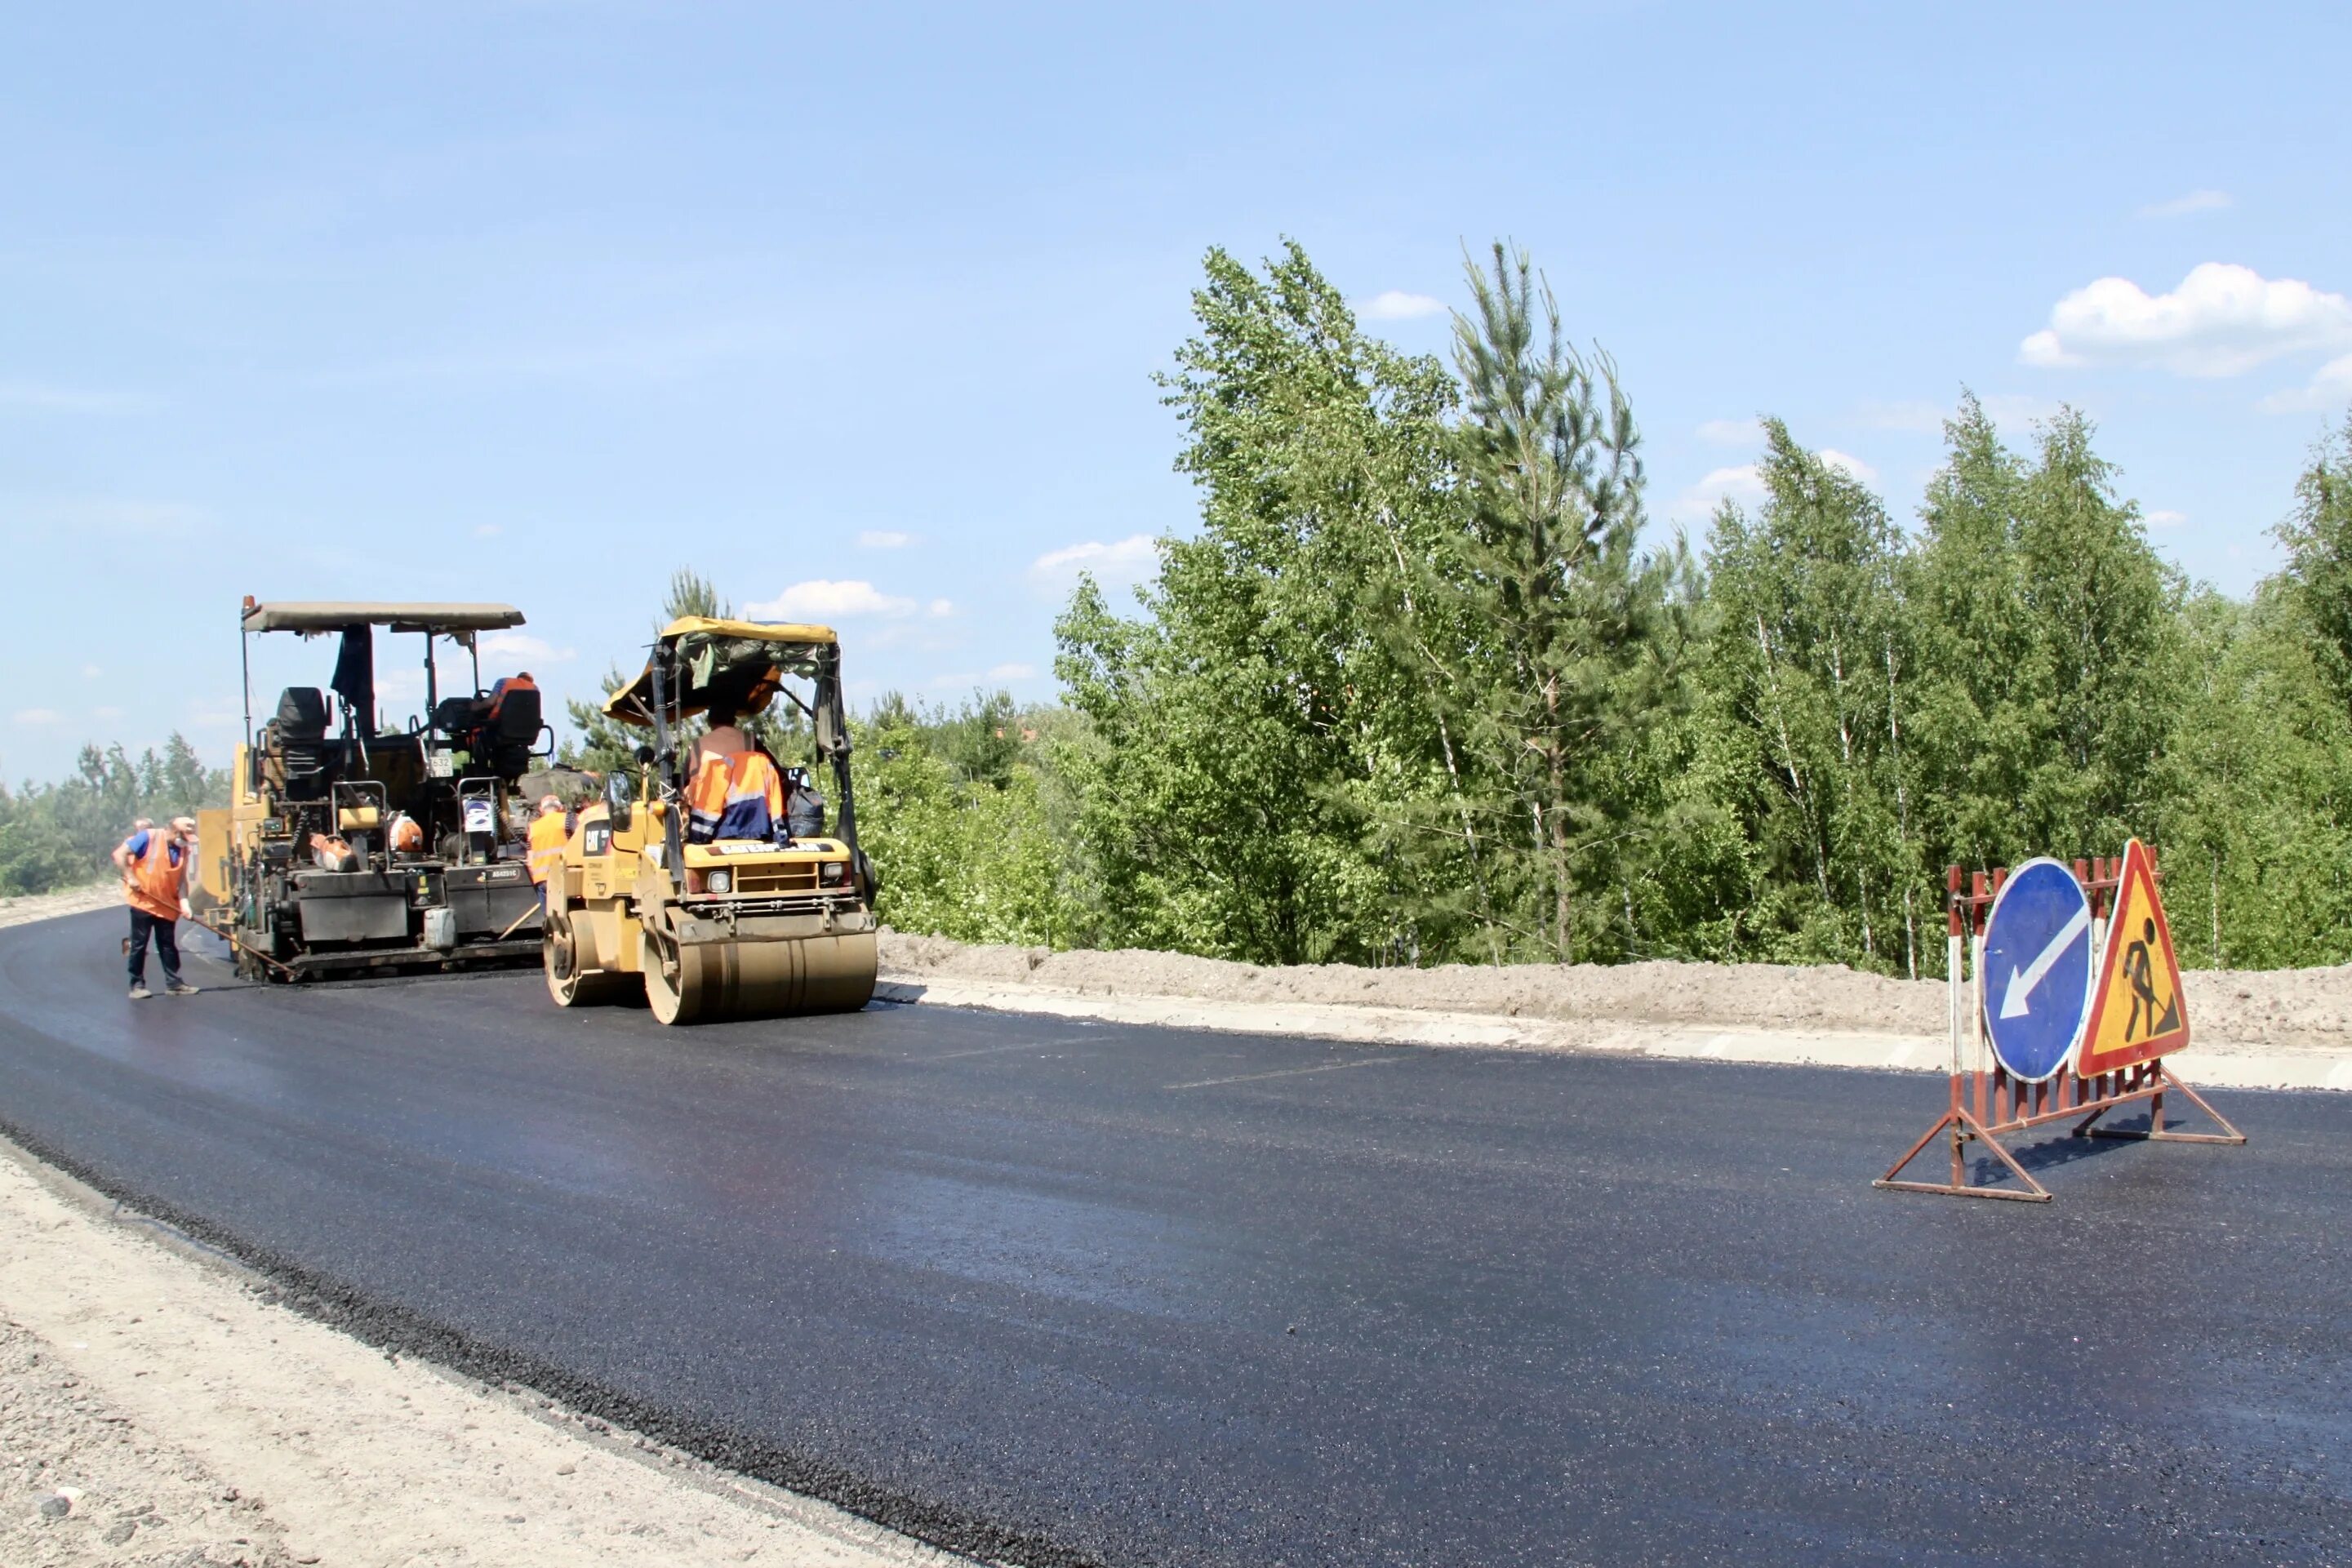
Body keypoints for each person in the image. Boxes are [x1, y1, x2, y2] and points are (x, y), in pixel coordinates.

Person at [113, 816, 198, 1001]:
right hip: (143, 901)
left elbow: (182, 881)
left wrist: (185, 904)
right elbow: (119, 855)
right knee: (139, 944)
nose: (186, 842)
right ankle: (137, 985)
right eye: (185, 836)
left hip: (167, 904)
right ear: (175, 832)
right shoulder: (148, 837)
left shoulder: (183, 849)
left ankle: (174, 984)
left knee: (167, 945)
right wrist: (130, 877)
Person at [527, 793, 570, 905]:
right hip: (565, 878)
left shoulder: (533, 827)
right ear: (560, 808)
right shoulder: (568, 820)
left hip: (542, 881)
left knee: (549, 919)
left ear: (541, 810)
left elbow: (530, 862)